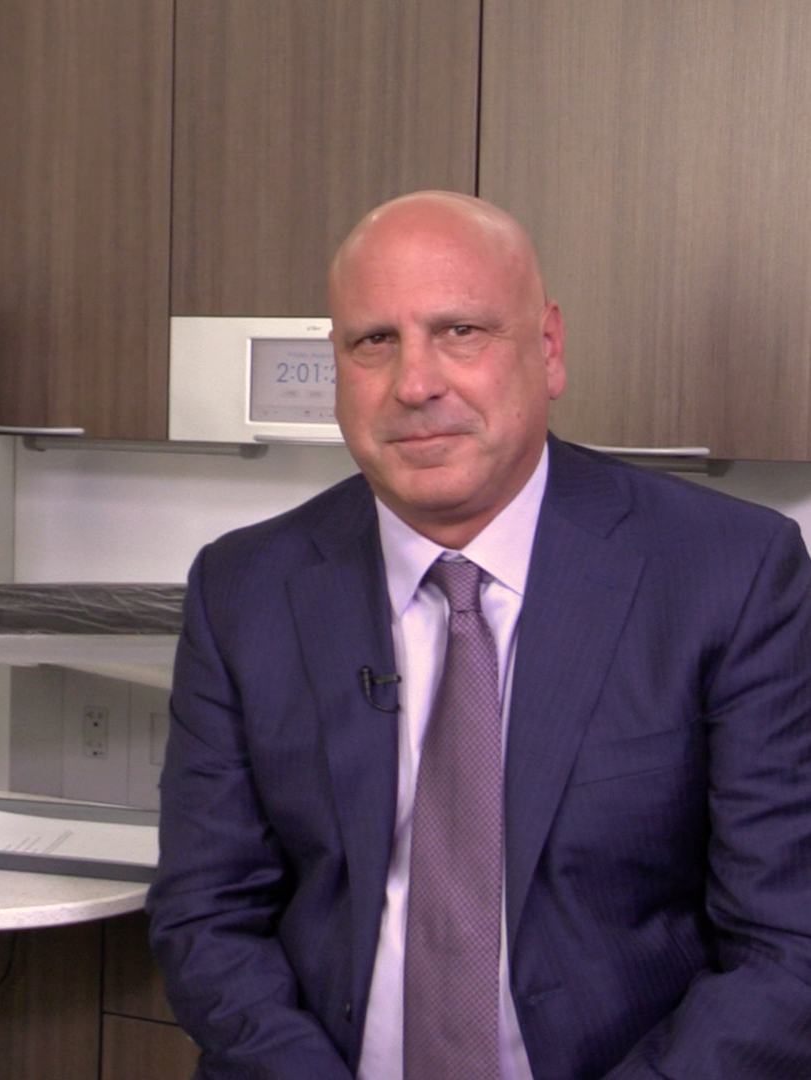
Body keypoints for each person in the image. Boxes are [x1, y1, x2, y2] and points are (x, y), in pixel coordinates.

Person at [146, 191, 811, 1079]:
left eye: (460, 331)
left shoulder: (729, 572)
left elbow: (786, 944)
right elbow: (206, 915)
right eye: (372, 341)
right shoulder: (243, 588)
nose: (414, 383)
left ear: (548, 349)